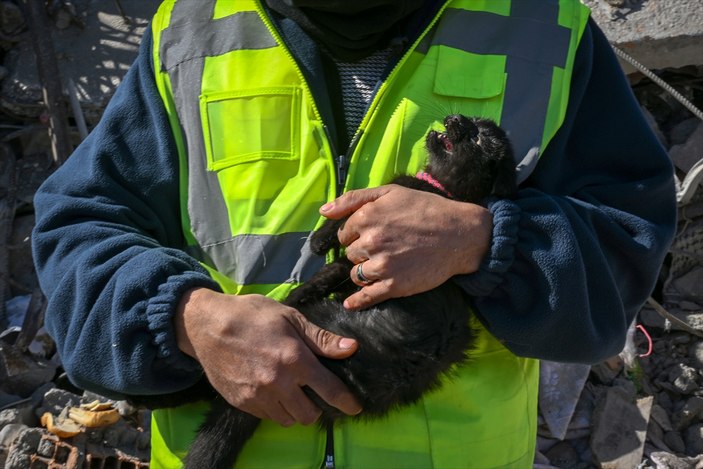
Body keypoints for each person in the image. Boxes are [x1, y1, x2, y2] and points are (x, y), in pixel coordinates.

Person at [32, 0, 676, 467]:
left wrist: (485, 241)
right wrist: (187, 317)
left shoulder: (543, 27)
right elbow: (78, 232)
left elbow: (626, 245)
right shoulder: (193, 31)